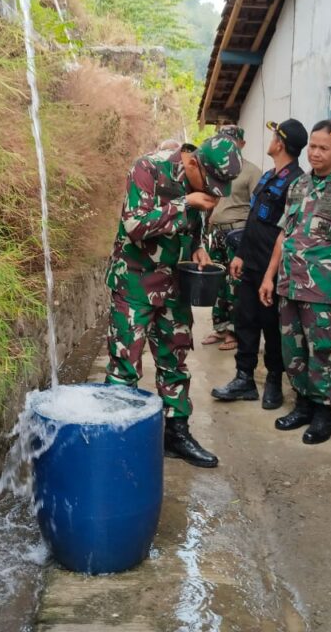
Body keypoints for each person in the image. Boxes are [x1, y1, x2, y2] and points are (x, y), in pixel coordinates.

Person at [105, 134, 243, 468]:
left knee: (175, 359)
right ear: (192, 161)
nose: (212, 192)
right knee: (126, 365)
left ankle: (176, 435)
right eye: (209, 184)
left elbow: (193, 227)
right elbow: (134, 224)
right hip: (135, 283)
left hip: (174, 283)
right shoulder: (148, 168)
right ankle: (117, 442)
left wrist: (198, 245)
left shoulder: (201, 188)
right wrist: (186, 203)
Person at [259, 119, 331, 444]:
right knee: (293, 349)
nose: (315, 154)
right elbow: (283, 234)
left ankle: (324, 415)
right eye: (312, 147)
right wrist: (269, 275)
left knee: (322, 352)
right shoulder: (298, 186)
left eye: (323, 148)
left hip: (322, 289)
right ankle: (303, 405)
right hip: (289, 284)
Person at [211, 119, 307, 408]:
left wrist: (269, 275)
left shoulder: (296, 182)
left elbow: (284, 233)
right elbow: (254, 220)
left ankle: (274, 381)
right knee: (245, 320)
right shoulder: (268, 176)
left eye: (274, 136)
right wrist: (240, 255)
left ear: (281, 143)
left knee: (272, 328)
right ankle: (244, 379)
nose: (270, 140)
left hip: (273, 269)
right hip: (251, 263)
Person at [201, 125, 262, 351]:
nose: (226, 144)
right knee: (216, 282)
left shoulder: (251, 172)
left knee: (235, 283)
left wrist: (249, 238)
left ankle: (235, 333)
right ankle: (220, 328)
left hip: (237, 233)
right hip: (216, 232)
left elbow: (258, 208)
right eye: (222, 139)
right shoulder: (213, 167)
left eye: (231, 140)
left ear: (242, 144)